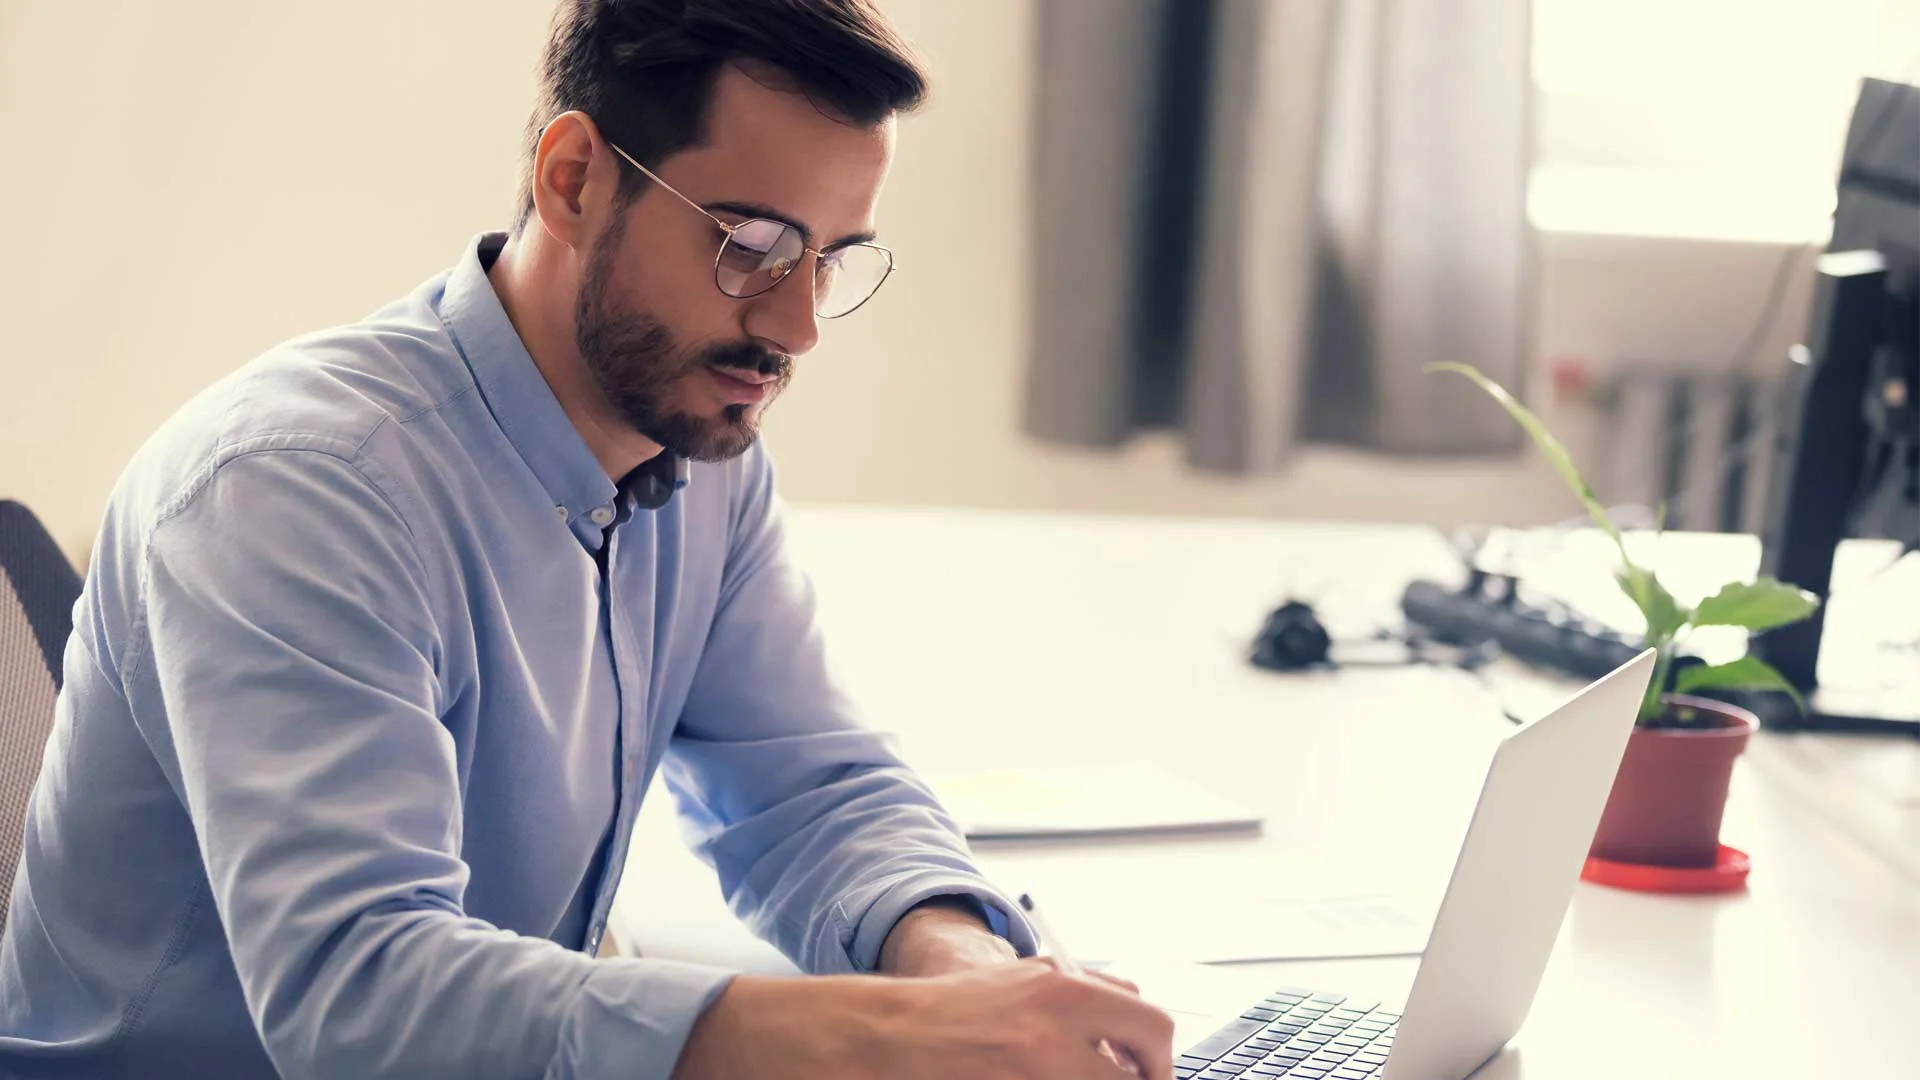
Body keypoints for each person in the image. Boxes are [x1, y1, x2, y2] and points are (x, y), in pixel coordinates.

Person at [0, 1, 1175, 1077]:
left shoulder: (700, 449)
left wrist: (966, 973)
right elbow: (359, 998)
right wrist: (891, 1034)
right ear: (571, 179)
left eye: (831, 259)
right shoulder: (295, 491)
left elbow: (810, 793)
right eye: (754, 246)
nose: (799, 326)